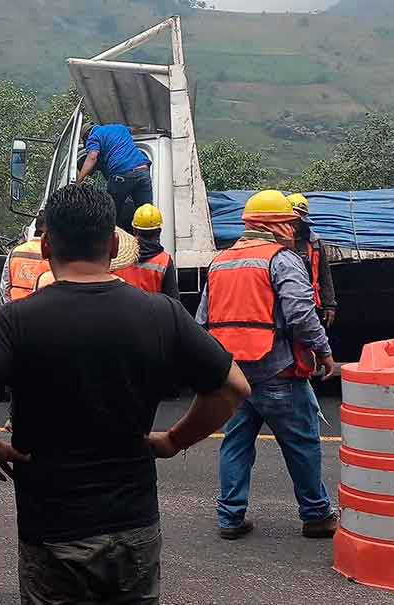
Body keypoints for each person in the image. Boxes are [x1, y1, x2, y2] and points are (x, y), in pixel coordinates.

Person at [0, 183, 250, 604]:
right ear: (111, 243)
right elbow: (233, 387)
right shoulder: (161, 313)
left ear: (47, 244)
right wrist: (174, 440)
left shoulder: (15, 321)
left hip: (52, 530)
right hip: (133, 528)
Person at [195, 189, 339, 541]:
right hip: (278, 372)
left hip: (233, 375)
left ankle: (230, 517)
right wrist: (323, 350)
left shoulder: (221, 261)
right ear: (277, 225)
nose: (294, 229)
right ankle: (316, 515)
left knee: (235, 444)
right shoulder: (282, 259)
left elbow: (201, 321)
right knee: (302, 443)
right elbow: (301, 314)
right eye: (290, 222)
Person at [76, 123, 152, 232]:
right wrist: (146, 129)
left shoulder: (94, 137)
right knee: (147, 215)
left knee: (109, 215)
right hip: (143, 172)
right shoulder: (118, 128)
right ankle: (149, 243)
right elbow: (133, 129)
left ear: (87, 135)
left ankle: (114, 241)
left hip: (122, 175)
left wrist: (79, 181)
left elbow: (92, 157)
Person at [287, 194, 337, 327]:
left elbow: (324, 274)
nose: (294, 224)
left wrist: (329, 305)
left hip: (309, 302)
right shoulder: (274, 241)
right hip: (282, 303)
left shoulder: (314, 242)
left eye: (298, 220)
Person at [113, 204, 180, 301]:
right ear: (158, 232)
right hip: (152, 314)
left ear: (134, 231)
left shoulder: (118, 257)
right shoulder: (164, 262)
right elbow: (173, 302)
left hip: (123, 313)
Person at [0, 212, 48, 304]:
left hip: (15, 310)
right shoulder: (54, 254)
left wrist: (9, 310)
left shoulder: (15, 252)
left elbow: (5, 287)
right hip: (41, 311)